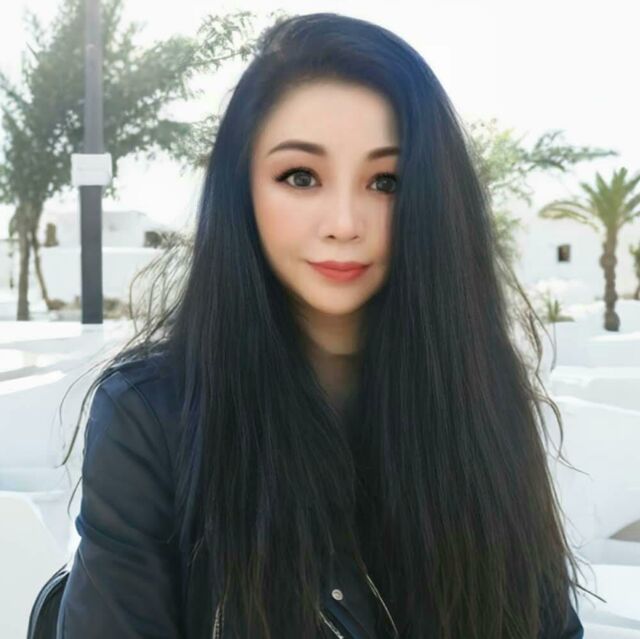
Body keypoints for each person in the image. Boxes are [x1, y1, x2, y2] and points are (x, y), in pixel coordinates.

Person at [55, 11, 589, 639]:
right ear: (242, 190)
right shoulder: (151, 416)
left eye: (385, 181)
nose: (343, 223)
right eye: (301, 177)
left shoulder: (481, 395)